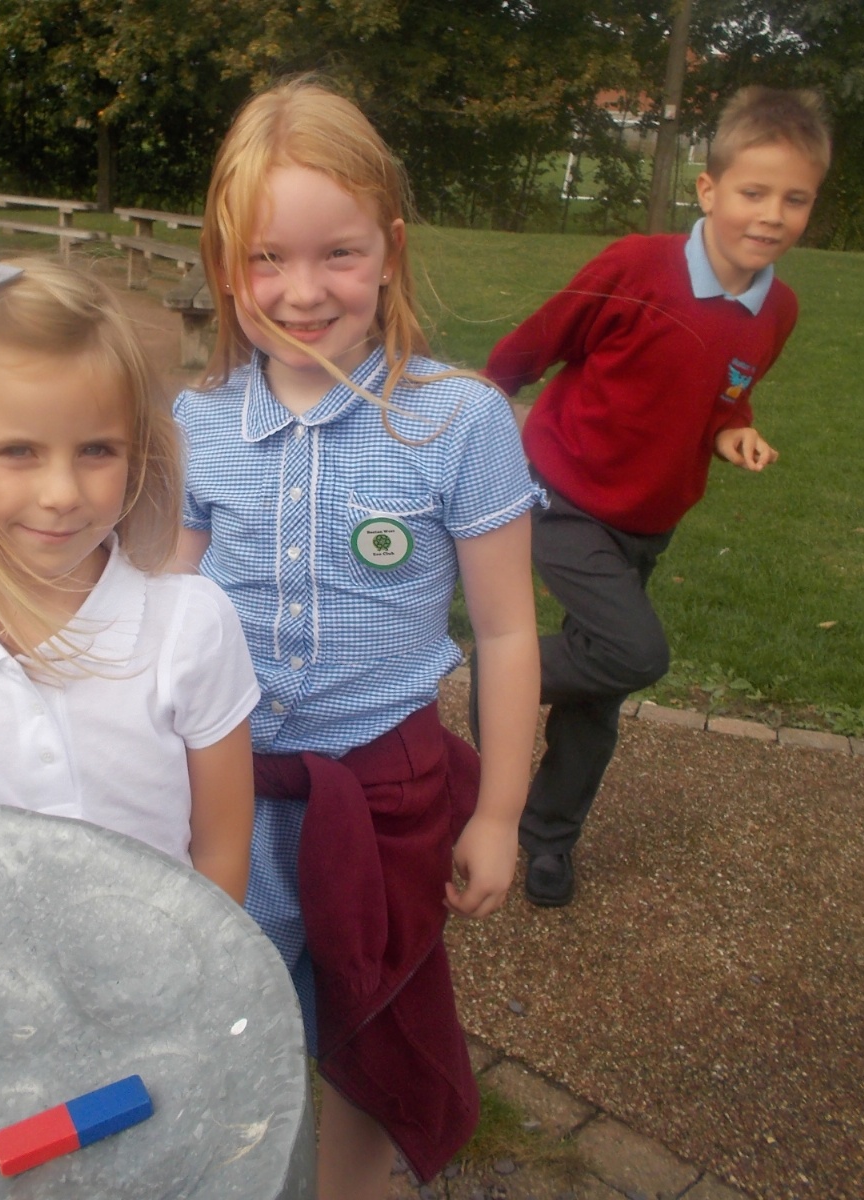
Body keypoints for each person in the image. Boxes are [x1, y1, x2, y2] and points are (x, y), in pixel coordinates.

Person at [175, 79, 544, 1195]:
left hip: (383, 795)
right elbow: (164, 619)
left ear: (388, 251)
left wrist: (498, 813)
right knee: (219, 1014)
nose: (302, 292)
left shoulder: (458, 419)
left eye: (337, 254)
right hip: (226, 789)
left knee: (367, 1038)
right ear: (226, 265)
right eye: (266, 260)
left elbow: (508, 632)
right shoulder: (197, 423)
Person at [478, 86, 831, 907]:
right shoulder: (636, 267)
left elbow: (727, 393)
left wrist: (732, 430)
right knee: (634, 653)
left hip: (649, 519)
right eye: (753, 192)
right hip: (562, 490)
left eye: (795, 199)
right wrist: (478, 412)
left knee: (600, 691)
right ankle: (498, 672)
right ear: (708, 189)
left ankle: (548, 838)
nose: (771, 215)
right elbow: (534, 344)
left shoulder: (776, 309)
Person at [0, 260, 258, 902]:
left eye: (96, 449)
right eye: (18, 451)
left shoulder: (193, 626)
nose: (62, 494)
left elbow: (222, 850)